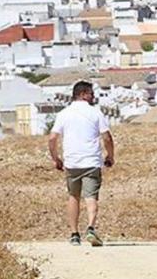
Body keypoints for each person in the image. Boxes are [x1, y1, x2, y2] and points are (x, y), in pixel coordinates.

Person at [48, 81, 114, 246]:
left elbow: (52, 138)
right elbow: (106, 137)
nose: (93, 97)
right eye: (91, 93)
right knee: (91, 197)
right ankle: (91, 228)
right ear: (83, 94)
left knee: (73, 196)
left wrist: (56, 158)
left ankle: (74, 234)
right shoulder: (95, 113)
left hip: (72, 162)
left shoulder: (63, 113)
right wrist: (110, 156)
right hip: (91, 161)